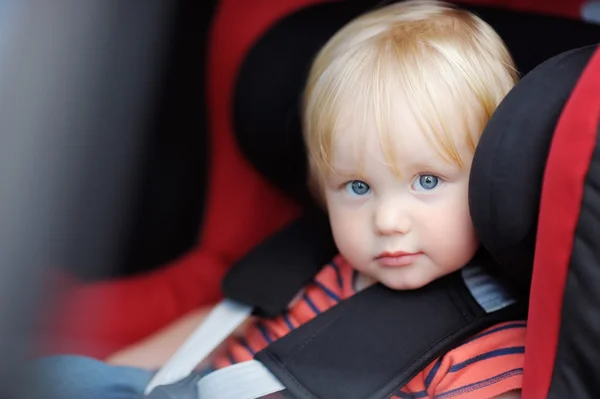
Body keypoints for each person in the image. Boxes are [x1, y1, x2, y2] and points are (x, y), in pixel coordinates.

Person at [33, 1, 524, 398]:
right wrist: (114, 373)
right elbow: (220, 326)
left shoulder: (489, 350)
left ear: (491, 179)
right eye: (357, 187)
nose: (389, 220)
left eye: (427, 181)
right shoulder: (325, 269)